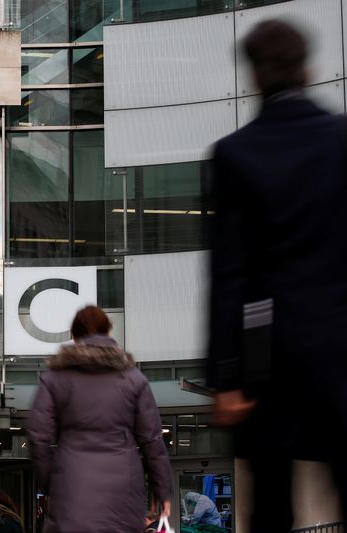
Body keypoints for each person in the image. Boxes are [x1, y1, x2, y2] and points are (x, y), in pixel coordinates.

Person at [207, 19, 347, 533]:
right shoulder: (340, 140)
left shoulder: (235, 154)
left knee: (269, 507)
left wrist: (225, 377)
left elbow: (229, 275)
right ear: (308, 68)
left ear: (254, 77)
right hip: (339, 348)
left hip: (269, 362)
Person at [27, 305, 173, 533]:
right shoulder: (134, 379)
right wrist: (163, 490)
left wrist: (49, 484)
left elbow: (38, 437)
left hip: (72, 484)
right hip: (123, 487)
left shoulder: (55, 378)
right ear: (107, 333)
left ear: (74, 337)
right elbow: (152, 439)